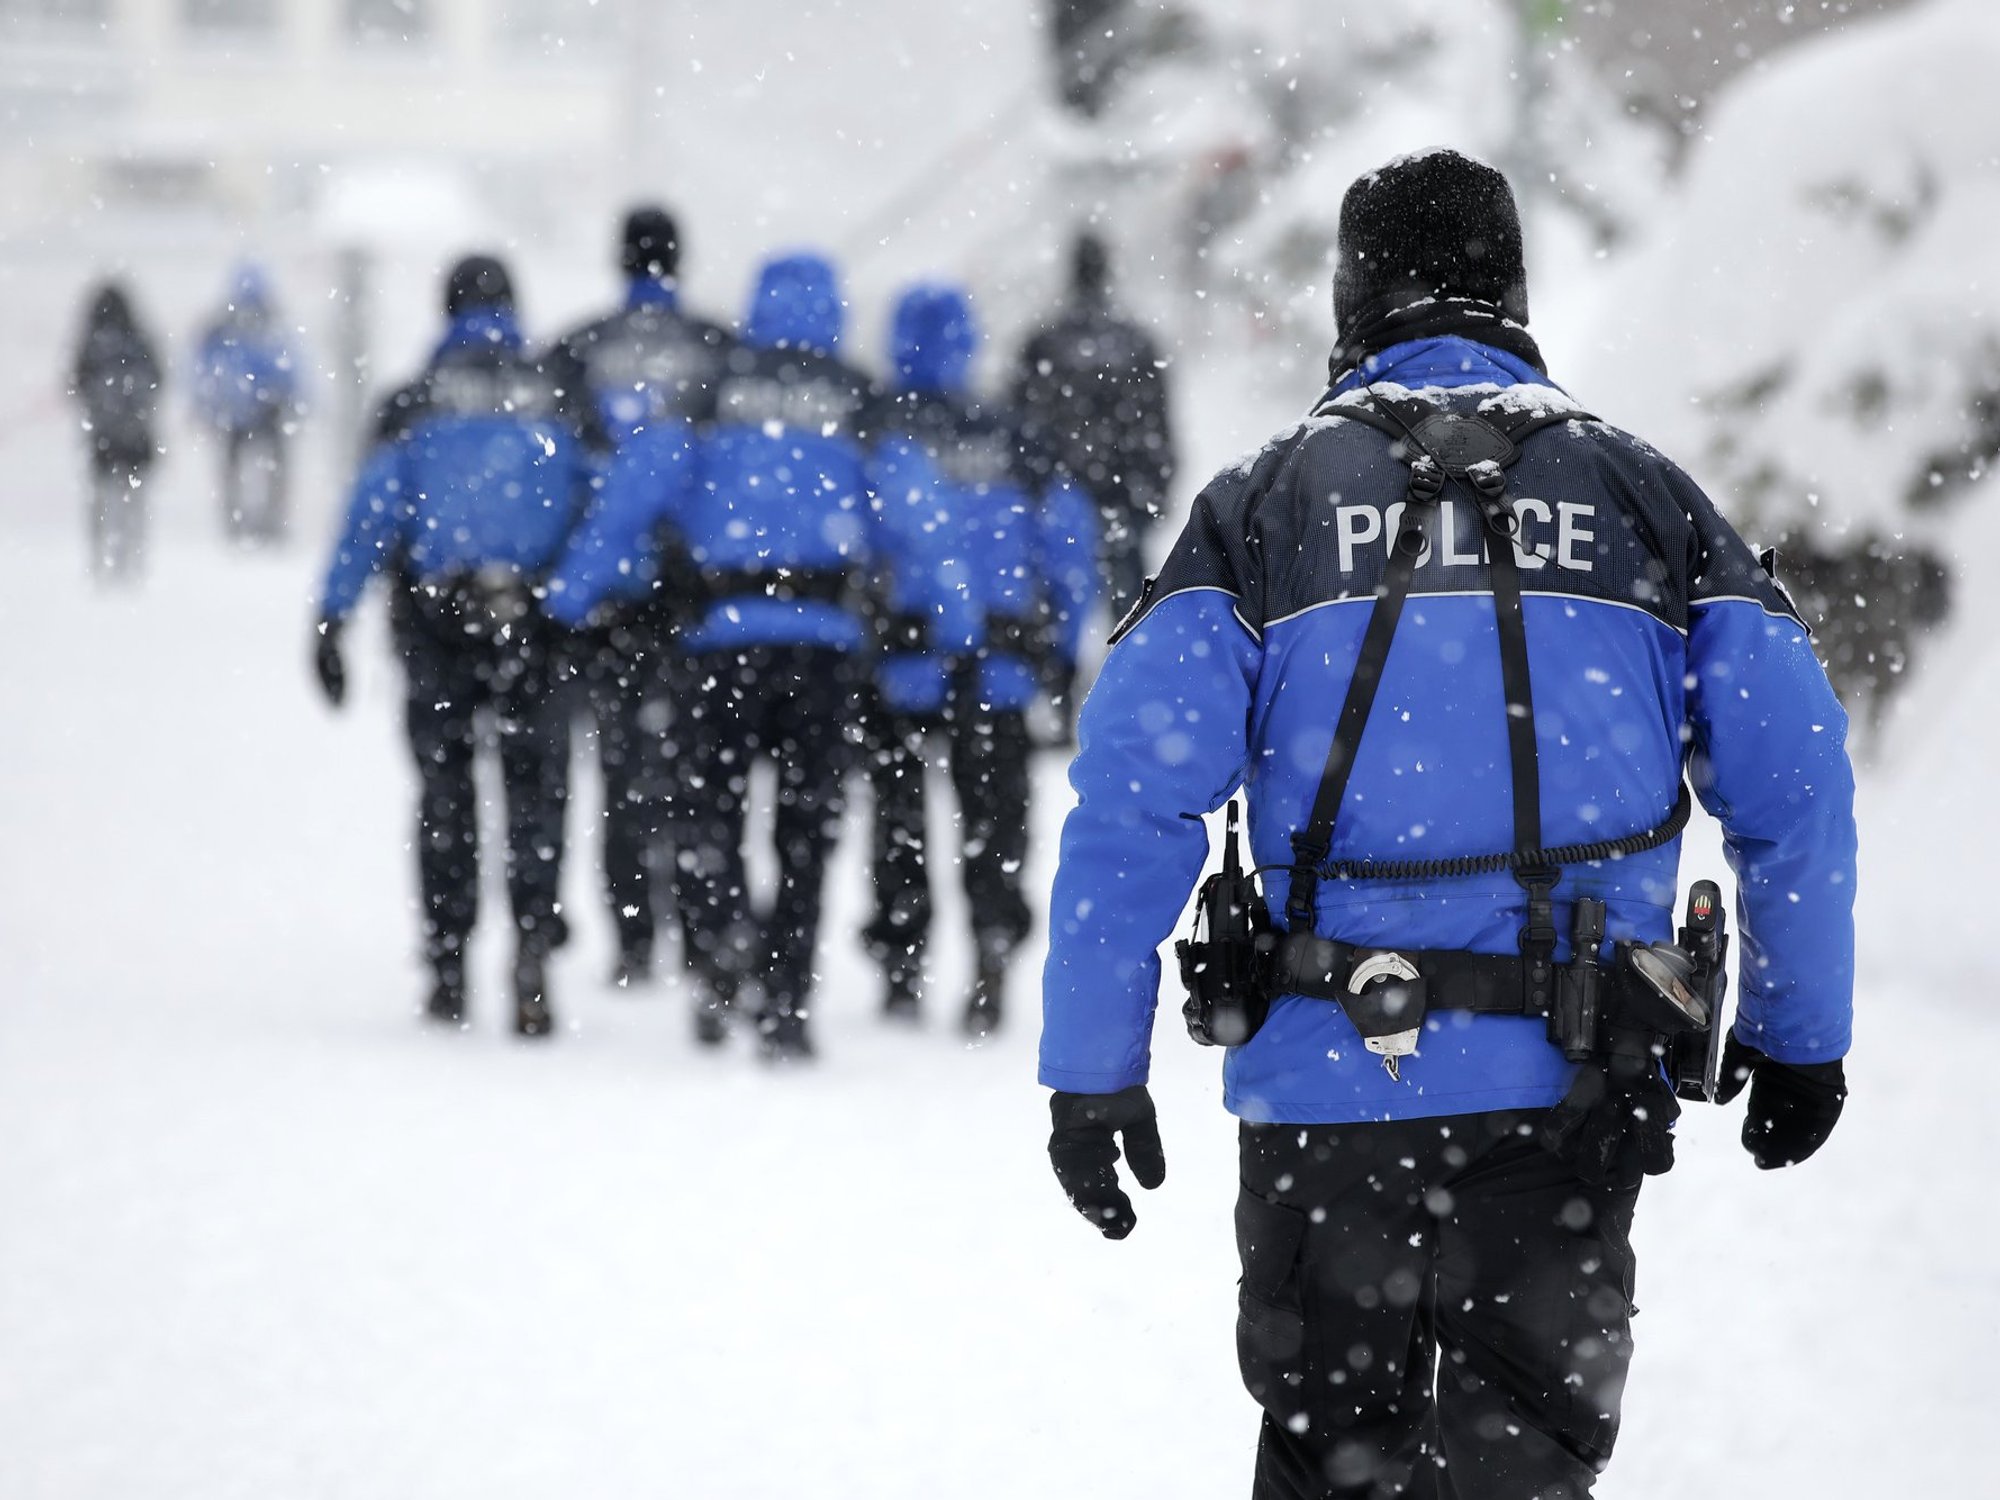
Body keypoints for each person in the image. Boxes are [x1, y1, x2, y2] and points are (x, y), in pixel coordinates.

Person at [1038, 149, 1856, 1499]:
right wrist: (1797, 1032)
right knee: (1522, 1470)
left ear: (1352, 298)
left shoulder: (1263, 509)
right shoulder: (1649, 501)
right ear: (1515, 291)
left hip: (1325, 1099)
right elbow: (1795, 781)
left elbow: (1135, 796)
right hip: (1568, 1100)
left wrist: (1092, 1066)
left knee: (1332, 1460)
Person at [552, 251, 880, 1062]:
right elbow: (918, 518)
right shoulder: (859, 399)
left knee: (709, 812)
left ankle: (722, 947)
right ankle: (788, 996)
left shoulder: (706, 391)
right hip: (826, 648)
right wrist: (957, 621)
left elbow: (631, 499)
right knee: (807, 833)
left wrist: (566, 599)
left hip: (719, 643)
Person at [312, 255, 597, 1037]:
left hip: (436, 626)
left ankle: (447, 963)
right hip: (537, 625)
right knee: (537, 796)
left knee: (446, 795)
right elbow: (598, 507)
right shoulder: (563, 397)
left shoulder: (411, 404)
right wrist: (586, 599)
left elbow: (373, 514)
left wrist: (333, 616)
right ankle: (533, 951)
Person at [864, 283, 1099, 1034]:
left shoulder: (874, 428)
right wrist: (1058, 653)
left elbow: (849, 537)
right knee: (994, 824)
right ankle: (992, 953)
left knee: (899, 819)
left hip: (901, 659)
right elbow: (1070, 545)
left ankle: (902, 965)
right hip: (1001, 661)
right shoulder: (1016, 434)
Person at [544, 206, 734, 987]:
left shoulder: (576, 351)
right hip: (699, 595)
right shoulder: (720, 351)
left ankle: (632, 935)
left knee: (620, 768)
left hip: (608, 595)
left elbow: (553, 471)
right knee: (693, 768)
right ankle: (700, 930)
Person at [1010, 229, 1176, 629]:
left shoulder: (1044, 342)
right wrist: (1151, 494)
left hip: (1061, 500)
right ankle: (1127, 689)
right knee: (1128, 629)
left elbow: (1021, 427)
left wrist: (1032, 493)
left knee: (1056, 626)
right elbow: (1157, 429)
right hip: (1122, 500)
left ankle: (1064, 689)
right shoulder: (1135, 343)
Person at [190, 261, 303, 543]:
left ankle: (239, 520)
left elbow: (205, 369)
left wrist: (207, 403)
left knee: (235, 468)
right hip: (265, 409)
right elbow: (292, 366)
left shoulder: (221, 330)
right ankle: (267, 521)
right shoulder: (271, 327)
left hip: (238, 411)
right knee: (271, 468)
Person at [68, 280, 162, 581]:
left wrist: (100, 409)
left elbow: (75, 383)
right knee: (132, 499)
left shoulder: (92, 343)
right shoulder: (139, 340)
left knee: (102, 499)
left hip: (103, 435)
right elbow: (158, 379)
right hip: (135, 434)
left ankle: (103, 558)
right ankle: (130, 556)